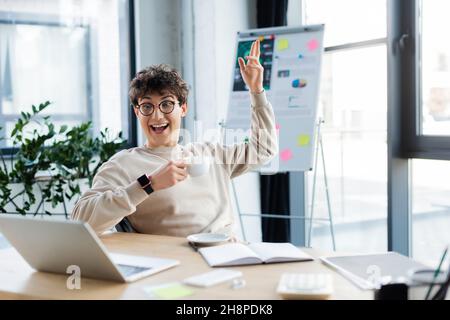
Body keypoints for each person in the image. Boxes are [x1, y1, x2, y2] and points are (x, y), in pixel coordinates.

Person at [71, 40, 278, 237]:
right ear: (137, 113)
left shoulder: (209, 153)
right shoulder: (124, 164)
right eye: (147, 106)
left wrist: (256, 91)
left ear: (183, 108)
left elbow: (265, 148)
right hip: (175, 263)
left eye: (167, 104)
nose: (157, 116)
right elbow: (81, 220)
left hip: (226, 255)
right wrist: (148, 184)